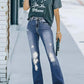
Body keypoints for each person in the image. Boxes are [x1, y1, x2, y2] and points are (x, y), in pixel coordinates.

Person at [23, 0, 64, 84]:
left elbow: (56, 11)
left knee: (51, 56)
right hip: (31, 25)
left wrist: (58, 31)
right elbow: (25, 7)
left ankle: (58, 82)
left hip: (45, 26)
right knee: (35, 57)